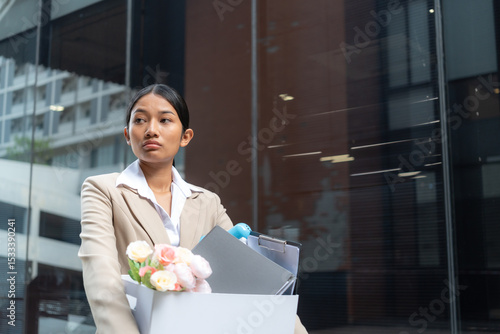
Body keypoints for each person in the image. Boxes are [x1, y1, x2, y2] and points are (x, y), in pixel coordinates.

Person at [78, 84, 307, 333]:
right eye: (140, 120)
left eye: (165, 120)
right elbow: (102, 279)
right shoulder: (103, 190)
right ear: (127, 134)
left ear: (185, 136)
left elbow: (250, 276)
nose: (151, 130)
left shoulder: (207, 202)